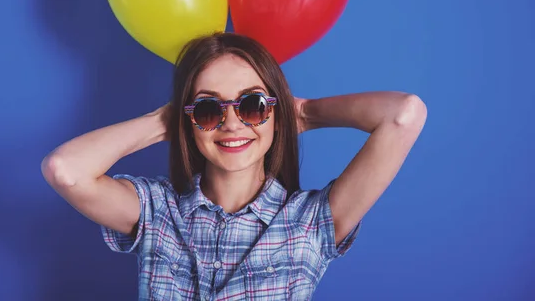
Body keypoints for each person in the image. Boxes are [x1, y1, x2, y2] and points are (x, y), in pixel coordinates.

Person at [41, 32, 427, 300]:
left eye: (252, 105)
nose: (231, 123)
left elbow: (404, 115)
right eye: (209, 108)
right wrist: (165, 121)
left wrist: (306, 112)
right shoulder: (156, 212)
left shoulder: (311, 222)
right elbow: (65, 170)